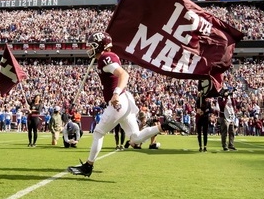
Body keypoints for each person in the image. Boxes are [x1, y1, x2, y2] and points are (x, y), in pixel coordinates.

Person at [67, 31, 188, 177]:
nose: (89, 48)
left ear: (100, 46)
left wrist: (116, 93)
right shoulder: (106, 57)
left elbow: (124, 74)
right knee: (135, 138)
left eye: (92, 45)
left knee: (98, 133)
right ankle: (163, 126)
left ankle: (88, 166)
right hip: (124, 100)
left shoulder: (106, 57)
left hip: (119, 101)